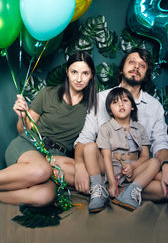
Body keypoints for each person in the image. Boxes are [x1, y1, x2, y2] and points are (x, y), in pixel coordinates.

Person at [74, 47, 168, 203]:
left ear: (146, 74)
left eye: (142, 65)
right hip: (103, 168)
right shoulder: (100, 99)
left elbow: (160, 142)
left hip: (135, 170)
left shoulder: (154, 106)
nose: (136, 67)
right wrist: (80, 166)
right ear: (121, 69)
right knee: (62, 166)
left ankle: (120, 191)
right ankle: (103, 186)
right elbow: (85, 138)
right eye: (132, 62)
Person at [2, 51, 97, 207]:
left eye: (85, 73)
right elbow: (23, 130)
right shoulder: (49, 93)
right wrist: (21, 116)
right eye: (74, 72)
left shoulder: (93, 106)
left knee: (45, 196)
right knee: (41, 170)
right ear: (67, 72)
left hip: (56, 157)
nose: (79, 79)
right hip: (29, 146)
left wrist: (79, 166)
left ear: (91, 75)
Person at [85, 87, 160, 212]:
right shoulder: (106, 128)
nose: (120, 104)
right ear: (110, 111)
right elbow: (107, 156)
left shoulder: (140, 128)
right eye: (115, 102)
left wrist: (133, 167)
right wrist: (112, 182)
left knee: (156, 163)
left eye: (125, 100)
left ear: (132, 107)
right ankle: (100, 190)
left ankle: (129, 192)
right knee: (89, 147)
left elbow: (145, 156)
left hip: (132, 174)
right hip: (111, 170)